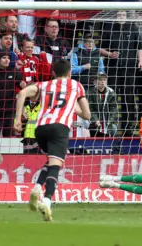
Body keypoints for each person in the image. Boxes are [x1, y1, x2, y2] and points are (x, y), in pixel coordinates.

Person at [13, 59, 91, 222]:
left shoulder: (44, 85)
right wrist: (73, 106)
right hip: (59, 127)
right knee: (56, 165)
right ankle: (47, 201)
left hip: (40, 129)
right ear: (70, 73)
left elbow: (21, 94)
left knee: (51, 161)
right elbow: (87, 114)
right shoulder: (76, 86)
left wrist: (17, 119)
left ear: (54, 73)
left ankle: (36, 187)